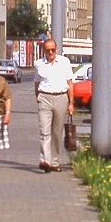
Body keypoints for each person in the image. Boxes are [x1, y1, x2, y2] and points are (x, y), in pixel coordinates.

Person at [34, 38, 74, 172]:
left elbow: (70, 84)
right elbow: (36, 83)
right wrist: (39, 98)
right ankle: (45, 160)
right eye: (47, 50)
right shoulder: (39, 64)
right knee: (44, 132)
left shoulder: (64, 62)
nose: (50, 52)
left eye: (53, 50)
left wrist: (71, 103)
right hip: (44, 97)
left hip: (61, 98)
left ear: (56, 49)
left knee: (57, 133)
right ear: (44, 50)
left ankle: (55, 161)